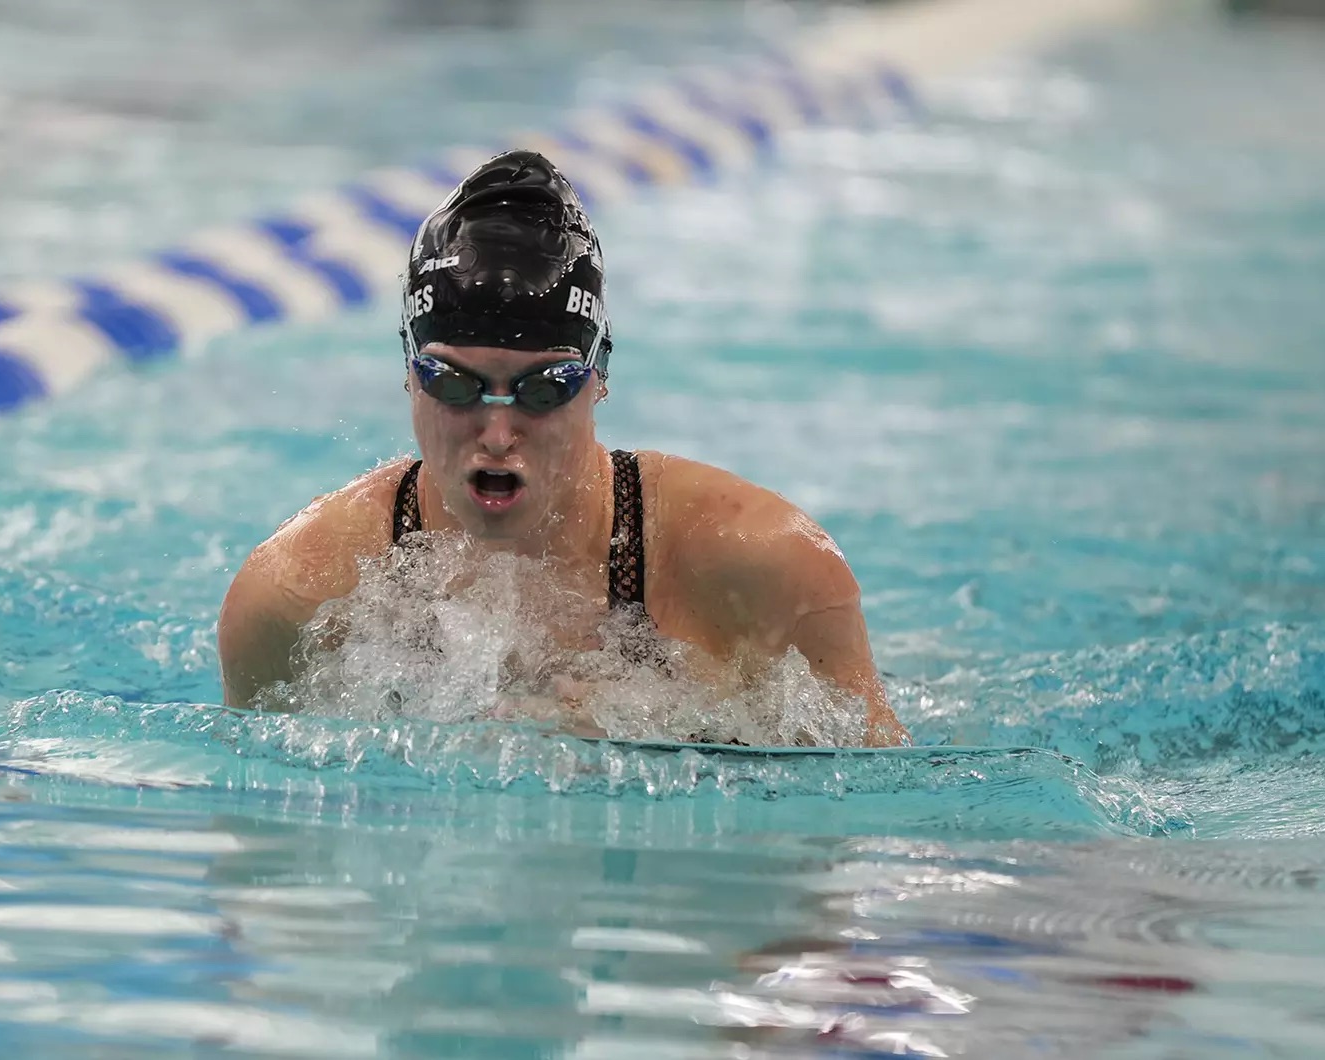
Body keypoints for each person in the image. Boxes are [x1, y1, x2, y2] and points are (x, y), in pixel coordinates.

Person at [217, 149, 908, 747]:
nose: (495, 431)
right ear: (408, 370)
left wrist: (678, 743)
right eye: (454, 385)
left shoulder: (764, 566)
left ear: (597, 377)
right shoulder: (294, 596)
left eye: (542, 390)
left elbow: (871, 820)